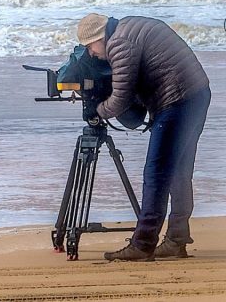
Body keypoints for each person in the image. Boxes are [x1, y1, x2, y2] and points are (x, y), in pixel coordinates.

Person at [77, 13, 211, 262]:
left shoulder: (119, 43)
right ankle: (176, 240)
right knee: (179, 171)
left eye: (90, 47)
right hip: (197, 93)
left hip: (178, 100)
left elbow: (121, 99)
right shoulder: (129, 26)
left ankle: (143, 244)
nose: (91, 54)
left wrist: (97, 110)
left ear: (99, 37)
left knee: (156, 173)